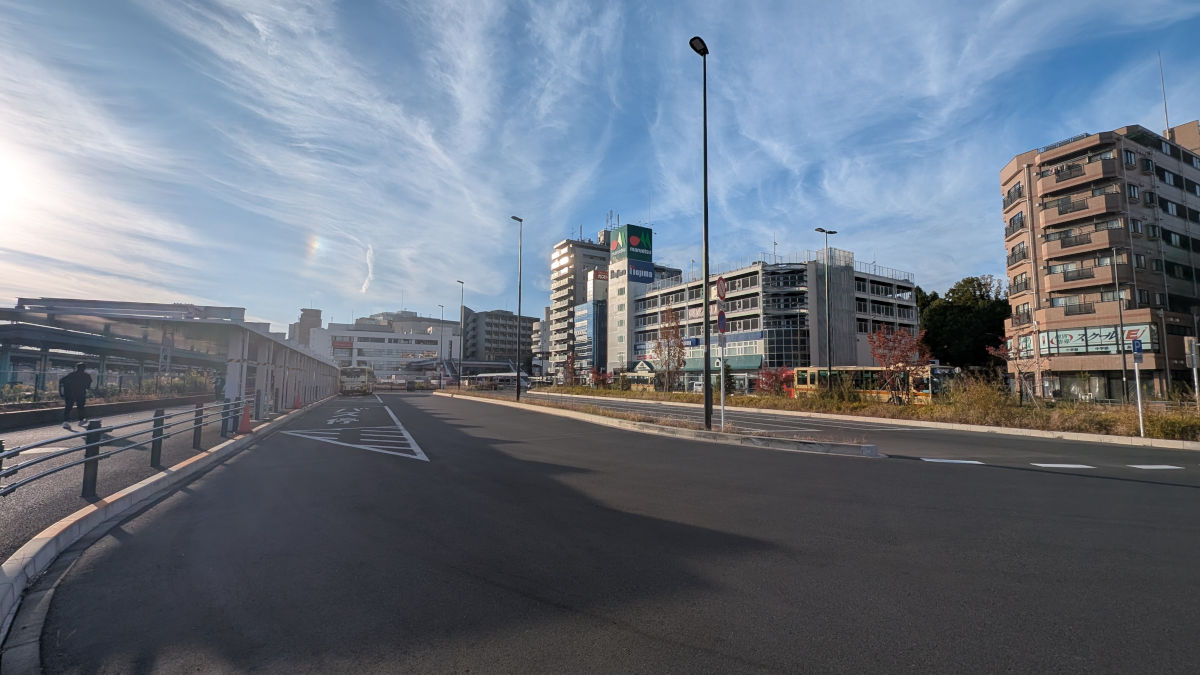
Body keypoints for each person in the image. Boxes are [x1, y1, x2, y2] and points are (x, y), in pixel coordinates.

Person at [59, 362, 92, 430]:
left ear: (77, 367)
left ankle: (65, 421)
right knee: (80, 407)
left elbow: (61, 381)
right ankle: (81, 420)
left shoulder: (71, 374)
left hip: (69, 393)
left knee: (68, 407)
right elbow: (88, 386)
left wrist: (61, 392)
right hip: (80, 393)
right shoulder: (86, 376)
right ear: (84, 368)